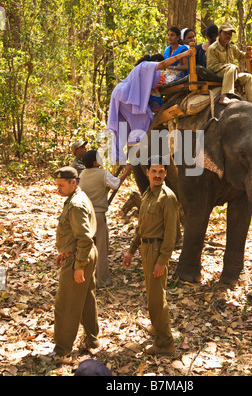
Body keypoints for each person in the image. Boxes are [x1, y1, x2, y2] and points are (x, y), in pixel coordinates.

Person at [123, 156, 179, 356]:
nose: (157, 175)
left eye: (161, 171)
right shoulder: (148, 194)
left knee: (157, 297)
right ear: (147, 173)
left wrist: (162, 261)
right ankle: (157, 326)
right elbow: (141, 228)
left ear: (165, 174)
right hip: (146, 250)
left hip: (157, 251)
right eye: (154, 171)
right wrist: (131, 250)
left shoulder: (168, 197)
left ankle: (165, 343)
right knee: (152, 293)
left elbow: (171, 234)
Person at [107, 48, 193, 162]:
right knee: (146, 119)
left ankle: (119, 156)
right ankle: (139, 145)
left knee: (122, 126)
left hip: (120, 94)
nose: (161, 71)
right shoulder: (146, 66)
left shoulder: (141, 70)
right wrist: (184, 54)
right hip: (125, 96)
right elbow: (162, 64)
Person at [51, 166, 99, 359]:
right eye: (57, 185)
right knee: (87, 299)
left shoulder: (76, 204)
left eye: (61, 185)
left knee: (66, 305)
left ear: (74, 182)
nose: (58, 189)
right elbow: (74, 233)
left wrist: (79, 266)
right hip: (80, 255)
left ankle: (62, 350)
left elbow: (84, 238)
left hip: (80, 257)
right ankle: (91, 340)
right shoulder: (76, 198)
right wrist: (64, 251)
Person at [79, 150, 132, 288]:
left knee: (86, 247)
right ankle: (102, 280)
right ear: (95, 162)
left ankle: (85, 276)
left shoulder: (82, 174)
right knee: (101, 248)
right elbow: (115, 184)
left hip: (84, 215)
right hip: (97, 215)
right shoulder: (102, 174)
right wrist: (127, 171)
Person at [206, 22, 252, 105]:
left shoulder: (232, 47)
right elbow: (211, 67)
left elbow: (241, 56)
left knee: (248, 77)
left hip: (231, 73)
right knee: (232, 68)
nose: (228, 36)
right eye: (226, 33)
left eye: (230, 34)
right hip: (217, 74)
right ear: (219, 34)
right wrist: (229, 66)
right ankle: (223, 97)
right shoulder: (212, 48)